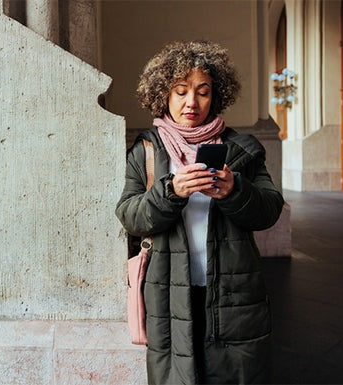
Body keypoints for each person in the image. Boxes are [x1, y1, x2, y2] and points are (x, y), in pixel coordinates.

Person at [115, 40, 284, 384]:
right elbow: (129, 214)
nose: (191, 102)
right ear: (164, 94)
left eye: (202, 92)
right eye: (180, 91)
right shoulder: (147, 150)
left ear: (216, 96)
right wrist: (171, 192)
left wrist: (235, 191)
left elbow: (269, 210)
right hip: (169, 292)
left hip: (233, 293)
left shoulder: (242, 149)